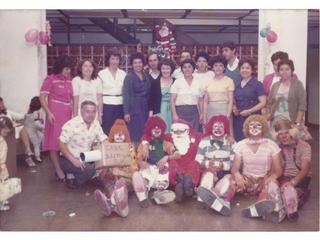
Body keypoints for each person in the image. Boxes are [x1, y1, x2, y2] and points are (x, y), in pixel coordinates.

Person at [197, 115, 285, 223]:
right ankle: (221, 200)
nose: (254, 127)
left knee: (273, 184)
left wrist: (271, 178)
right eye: (251, 125)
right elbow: (235, 168)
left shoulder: (272, 145)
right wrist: (238, 175)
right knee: (229, 177)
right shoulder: (241, 145)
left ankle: (263, 206)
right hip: (246, 180)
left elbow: (279, 170)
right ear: (247, 128)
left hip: (264, 179)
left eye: (258, 125)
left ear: (263, 128)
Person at [59, 101, 108, 189]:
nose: (91, 115)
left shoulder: (96, 124)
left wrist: (108, 147)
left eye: (93, 112)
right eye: (87, 111)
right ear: (81, 111)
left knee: (106, 157)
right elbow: (61, 144)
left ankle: (81, 175)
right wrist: (73, 160)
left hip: (86, 157)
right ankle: (72, 177)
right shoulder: (71, 124)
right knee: (90, 170)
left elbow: (103, 139)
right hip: (69, 159)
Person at [94, 119, 137, 218]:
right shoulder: (106, 151)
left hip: (126, 182)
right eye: (116, 134)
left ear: (125, 135)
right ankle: (116, 206)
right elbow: (101, 177)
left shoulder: (130, 150)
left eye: (121, 134)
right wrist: (106, 165)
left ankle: (111, 203)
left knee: (121, 183)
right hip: (110, 182)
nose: (119, 136)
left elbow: (134, 175)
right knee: (109, 184)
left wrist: (120, 172)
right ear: (112, 135)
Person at [40, 55, 73, 181]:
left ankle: (65, 167)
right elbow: (42, 97)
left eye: (69, 69)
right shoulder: (50, 79)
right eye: (65, 69)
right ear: (59, 67)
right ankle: (58, 170)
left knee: (66, 142)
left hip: (67, 114)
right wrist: (48, 113)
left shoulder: (69, 80)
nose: (68, 71)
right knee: (55, 143)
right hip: (54, 114)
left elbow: (71, 98)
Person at [133, 116, 178, 208]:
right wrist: (141, 163)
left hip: (160, 169)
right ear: (150, 129)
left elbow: (178, 154)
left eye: (159, 127)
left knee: (163, 175)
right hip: (148, 168)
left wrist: (167, 157)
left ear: (162, 129)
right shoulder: (144, 144)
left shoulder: (165, 143)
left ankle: (158, 194)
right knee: (143, 176)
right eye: (154, 127)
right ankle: (143, 195)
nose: (157, 129)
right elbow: (138, 159)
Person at [273, 119, 312, 222]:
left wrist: (293, 182)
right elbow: (274, 169)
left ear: (291, 132)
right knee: (272, 188)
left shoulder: (304, 146)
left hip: (299, 178)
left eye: (286, 132)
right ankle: (277, 203)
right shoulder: (275, 147)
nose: (284, 136)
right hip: (282, 177)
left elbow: (305, 169)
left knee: (292, 193)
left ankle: (288, 206)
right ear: (277, 136)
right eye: (280, 134)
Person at [196, 115, 234, 204]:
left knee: (228, 179)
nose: (218, 129)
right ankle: (203, 197)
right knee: (209, 174)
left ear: (225, 128)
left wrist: (223, 166)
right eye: (215, 126)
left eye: (221, 126)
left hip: (224, 172)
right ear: (211, 127)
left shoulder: (231, 142)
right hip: (208, 171)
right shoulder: (204, 141)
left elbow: (233, 162)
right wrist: (208, 164)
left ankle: (219, 198)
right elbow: (198, 160)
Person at [168, 119, 201, 202]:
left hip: (190, 170)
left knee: (195, 163)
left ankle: (185, 186)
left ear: (187, 130)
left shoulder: (195, 137)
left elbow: (210, 133)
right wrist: (145, 142)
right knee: (171, 163)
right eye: (176, 131)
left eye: (181, 131)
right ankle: (184, 187)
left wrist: (229, 136)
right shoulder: (168, 138)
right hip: (177, 171)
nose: (178, 133)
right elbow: (151, 132)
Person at [233, 59, 266, 142]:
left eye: (247, 68)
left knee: (253, 141)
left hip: (253, 119)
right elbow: (234, 100)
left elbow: (263, 102)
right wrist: (234, 108)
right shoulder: (237, 85)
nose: (244, 70)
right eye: (242, 68)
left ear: (252, 70)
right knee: (240, 142)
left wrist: (249, 111)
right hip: (238, 120)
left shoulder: (257, 84)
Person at [267, 59, 306, 126]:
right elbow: (270, 103)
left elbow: (302, 106)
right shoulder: (275, 85)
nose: (284, 72)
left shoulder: (298, 84)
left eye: (287, 69)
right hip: (275, 122)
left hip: (291, 122)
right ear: (278, 71)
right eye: (281, 69)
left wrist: (298, 123)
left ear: (292, 71)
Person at [123, 52, 151, 143]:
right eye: (135, 63)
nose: (137, 65)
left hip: (145, 108)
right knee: (134, 132)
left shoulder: (146, 75)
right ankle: (134, 154)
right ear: (132, 64)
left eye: (139, 62)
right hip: (133, 109)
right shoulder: (129, 77)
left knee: (145, 131)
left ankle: (144, 153)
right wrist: (126, 112)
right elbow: (126, 95)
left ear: (143, 64)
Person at [0, 97, 36, 167]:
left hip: (13, 131)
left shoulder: (7, 112)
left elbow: (21, 116)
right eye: (0, 103)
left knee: (22, 127)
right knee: (18, 128)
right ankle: (28, 156)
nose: (2, 105)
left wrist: (29, 112)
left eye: (2, 103)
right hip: (4, 134)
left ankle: (28, 150)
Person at [98, 48, 126, 134]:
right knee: (107, 131)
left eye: (117, 59)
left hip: (120, 107)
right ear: (108, 60)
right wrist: (100, 113)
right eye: (112, 59)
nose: (115, 61)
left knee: (119, 132)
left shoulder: (123, 74)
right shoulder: (101, 74)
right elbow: (99, 96)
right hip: (107, 106)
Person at [170, 59, 203, 132]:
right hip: (180, 112)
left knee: (194, 135)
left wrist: (201, 114)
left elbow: (200, 101)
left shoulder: (198, 82)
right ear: (182, 69)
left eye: (189, 67)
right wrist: (174, 115)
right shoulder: (177, 82)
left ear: (193, 69)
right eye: (184, 67)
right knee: (181, 134)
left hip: (194, 112)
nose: (187, 69)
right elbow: (172, 100)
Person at [203, 55, 234, 124]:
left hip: (224, 110)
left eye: (220, 65)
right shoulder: (207, 81)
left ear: (224, 67)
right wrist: (204, 116)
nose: (218, 68)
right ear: (213, 67)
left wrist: (228, 115)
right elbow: (205, 101)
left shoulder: (229, 81)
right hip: (210, 110)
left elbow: (231, 100)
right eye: (216, 65)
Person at [0, 116, 21, 211]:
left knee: (3, 183)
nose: (5, 135)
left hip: (2, 166)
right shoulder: (0, 141)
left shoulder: (1, 139)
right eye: (5, 132)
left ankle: (3, 199)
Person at [72, 59, 103, 123]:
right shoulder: (76, 80)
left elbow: (100, 99)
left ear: (93, 68)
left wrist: (100, 115)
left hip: (94, 114)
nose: (88, 68)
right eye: (85, 66)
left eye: (90, 66)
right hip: (80, 114)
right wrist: (75, 117)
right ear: (81, 68)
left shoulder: (97, 80)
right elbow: (75, 101)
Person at [148, 58, 175, 130]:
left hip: (172, 111)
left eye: (167, 68)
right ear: (160, 69)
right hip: (159, 110)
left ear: (171, 69)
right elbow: (151, 100)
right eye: (163, 68)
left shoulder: (176, 82)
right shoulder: (155, 82)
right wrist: (150, 115)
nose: (165, 71)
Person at [24, 96, 44, 163]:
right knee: (36, 143)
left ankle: (35, 153)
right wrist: (44, 127)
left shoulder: (30, 110)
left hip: (30, 129)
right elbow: (37, 124)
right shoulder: (37, 113)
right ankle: (37, 157)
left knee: (40, 138)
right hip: (31, 130)